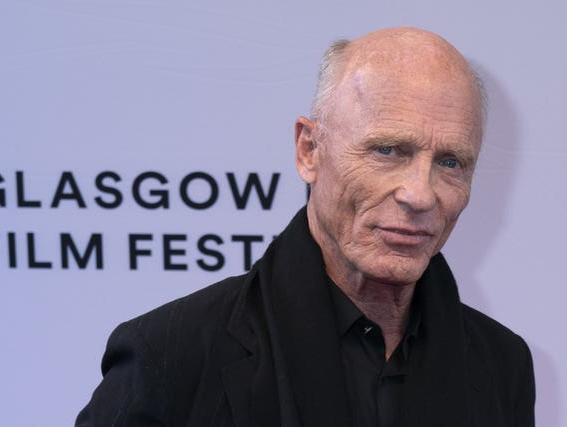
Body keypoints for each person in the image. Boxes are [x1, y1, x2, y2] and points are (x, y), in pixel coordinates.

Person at [76, 27, 535, 426]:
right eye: (388, 150)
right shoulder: (170, 356)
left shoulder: (502, 364)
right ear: (309, 150)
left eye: (451, 162)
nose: (419, 194)